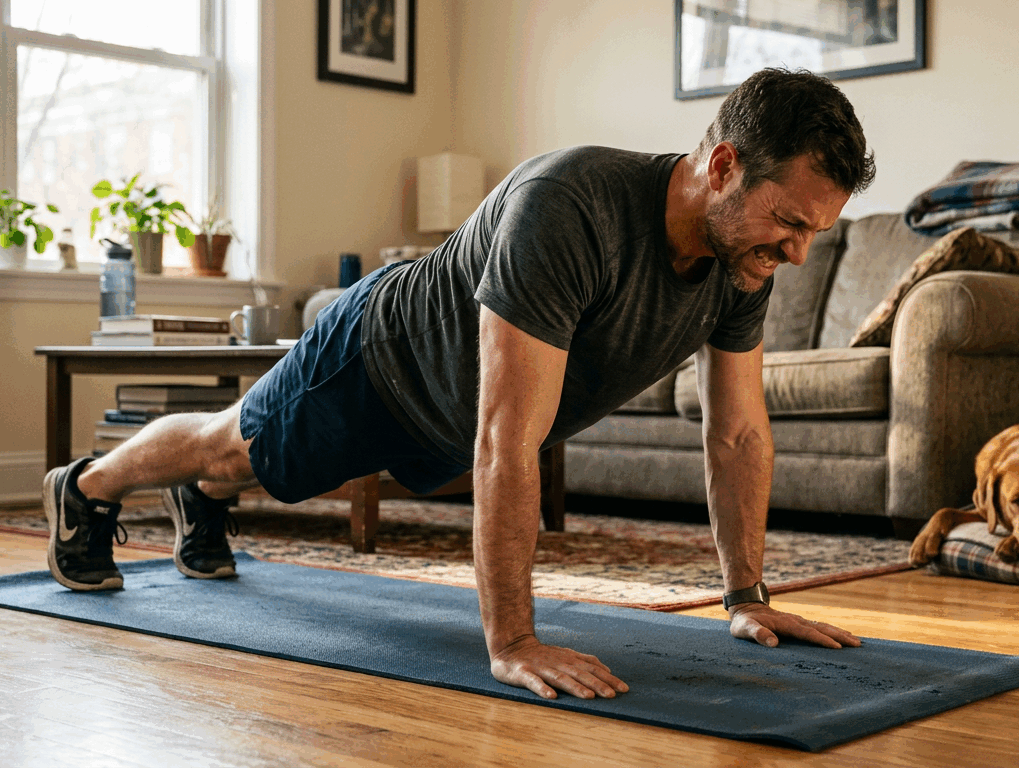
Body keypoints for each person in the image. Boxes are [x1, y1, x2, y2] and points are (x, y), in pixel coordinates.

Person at [44, 67, 875, 702]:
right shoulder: (571, 207)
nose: (799, 252)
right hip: (378, 361)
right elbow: (505, 438)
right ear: (723, 164)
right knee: (231, 451)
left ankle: (202, 502)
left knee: (255, 475)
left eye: (816, 230)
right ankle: (85, 486)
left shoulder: (742, 264)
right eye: (791, 222)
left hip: (443, 417)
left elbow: (736, 432)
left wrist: (748, 596)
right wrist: (513, 641)